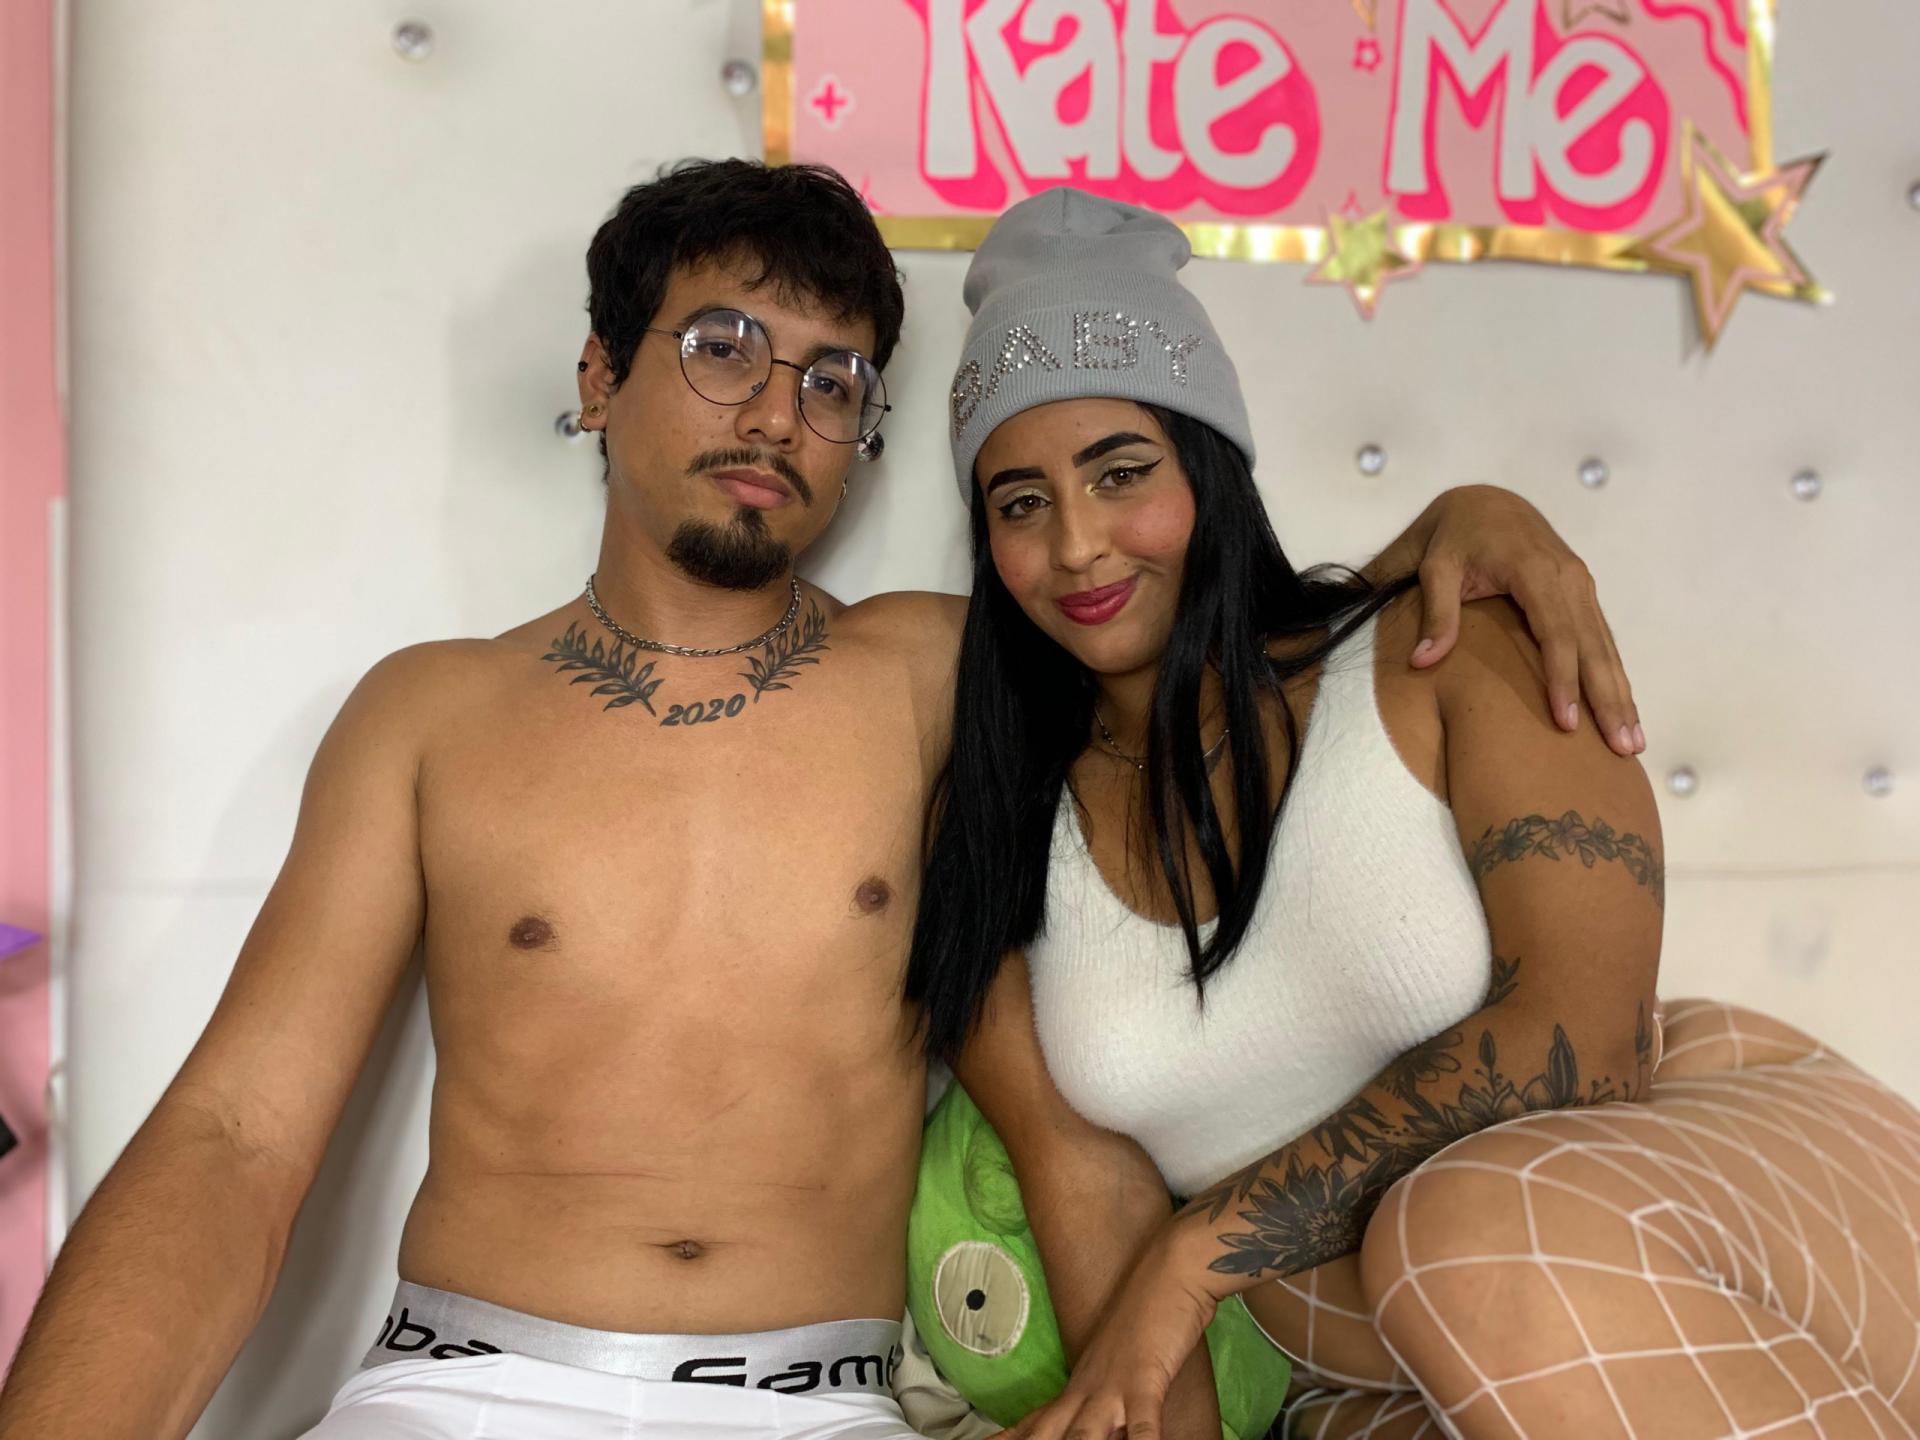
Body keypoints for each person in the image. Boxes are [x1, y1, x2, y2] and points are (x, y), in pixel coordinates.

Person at [0, 161, 1644, 1440]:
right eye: (724, 348)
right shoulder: (427, 715)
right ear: (598, 374)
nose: (781, 412)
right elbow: (235, 1137)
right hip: (464, 1387)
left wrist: (1466, 522)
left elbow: (1062, 1110)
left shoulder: (938, 682)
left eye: (837, 379)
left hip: (817, 1406)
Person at [909, 188, 1920, 1440]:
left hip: (1721, 1202)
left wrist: (1195, 1256)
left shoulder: (1440, 650)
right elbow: (1085, 1186)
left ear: (1209, 468)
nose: (1077, 546)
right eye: (1020, 503)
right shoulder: (1008, 834)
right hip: (1373, 1364)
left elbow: (1586, 1041)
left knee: (1460, 1234)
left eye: (1123, 474)